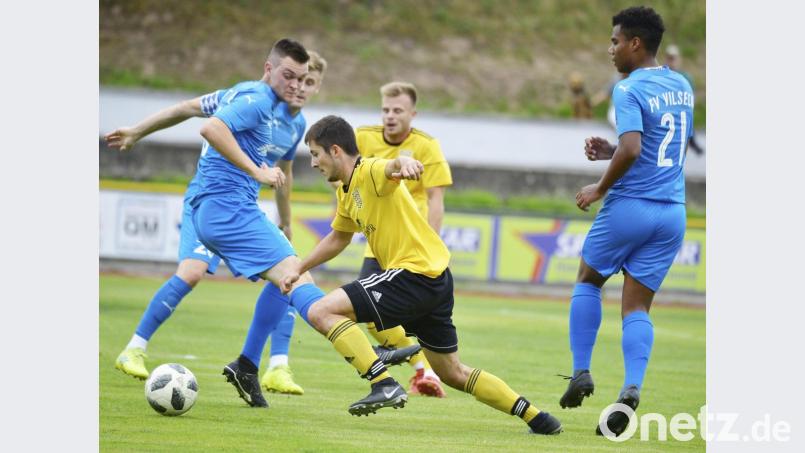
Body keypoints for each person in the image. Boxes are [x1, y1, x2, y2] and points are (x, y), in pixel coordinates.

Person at [278, 115, 562, 434]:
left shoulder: (368, 170)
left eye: (315, 154)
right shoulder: (346, 192)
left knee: (320, 310)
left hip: (413, 274)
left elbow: (391, 167)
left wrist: (404, 164)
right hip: (435, 278)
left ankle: (382, 382)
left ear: (334, 150)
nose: (313, 163)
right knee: (452, 372)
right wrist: (299, 268)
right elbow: (338, 238)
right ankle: (538, 418)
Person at [106, 48, 327, 400]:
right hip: (208, 201)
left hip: (242, 205)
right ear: (272, 71)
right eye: (293, 77)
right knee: (195, 272)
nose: (299, 87)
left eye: (307, 81)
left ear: (316, 87)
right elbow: (188, 111)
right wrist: (137, 131)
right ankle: (134, 348)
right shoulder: (245, 97)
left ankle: (276, 365)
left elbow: (283, 173)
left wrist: (286, 220)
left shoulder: (296, 125)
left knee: (287, 270)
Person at [558, 7, 692, 438]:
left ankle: (581, 371)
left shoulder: (627, 87)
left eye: (616, 41)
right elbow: (656, 145)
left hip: (630, 207)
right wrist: (611, 150)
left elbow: (633, 149)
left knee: (588, 280)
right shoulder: (681, 84)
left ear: (635, 43)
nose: (610, 49)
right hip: (671, 212)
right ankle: (632, 387)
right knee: (636, 307)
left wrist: (600, 185)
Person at [354, 81, 452, 398]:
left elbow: (436, 199)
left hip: (412, 248)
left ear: (413, 113)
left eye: (398, 110)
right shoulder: (363, 137)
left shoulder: (426, 145)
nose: (390, 116)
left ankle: (424, 368)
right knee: (366, 310)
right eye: (385, 109)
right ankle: (424, 368)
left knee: (381, 310)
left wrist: (429, 244)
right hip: (379, 242)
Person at [665, 44, 704, 155]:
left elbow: (691, 96)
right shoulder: (662, 76)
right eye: (669, 58)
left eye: (673, 58)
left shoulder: (685, 77)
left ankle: (691, 142)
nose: (671, 61)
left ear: (678, 59)